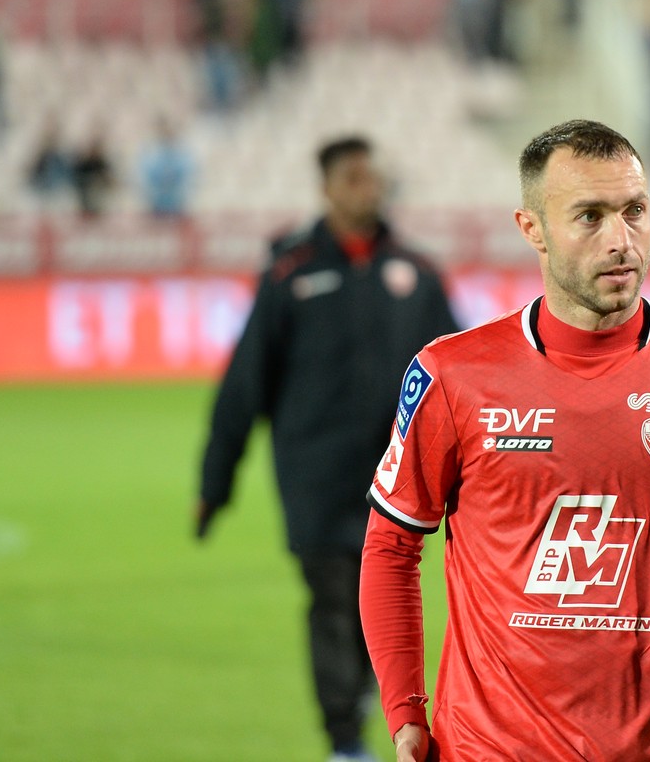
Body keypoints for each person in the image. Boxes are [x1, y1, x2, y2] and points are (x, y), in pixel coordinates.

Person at [360, 120, 650, 761]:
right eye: (590, 216)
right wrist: (404, 711)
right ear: (532, 228)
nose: (621, 240)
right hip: (486, 749)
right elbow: (390, 546)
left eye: (634, 210)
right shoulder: (453, 374)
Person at [197, 136, 460, 762]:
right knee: (334, 600)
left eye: (372, 176)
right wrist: (215, 484)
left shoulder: (418, 273)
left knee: (382, 597)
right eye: (352, 178)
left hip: (396, 477)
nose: (367, 188)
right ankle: (345, 739)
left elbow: (460, 381)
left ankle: (368, 709)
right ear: (327, 188)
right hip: (315, 476)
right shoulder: (290, 275)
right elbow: (245, 384)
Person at [138, 120, 195, 219]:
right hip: (156, 204)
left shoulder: (183, 156)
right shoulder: (151, 156)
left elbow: (188, 180)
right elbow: (145, 181)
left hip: (177, 205)